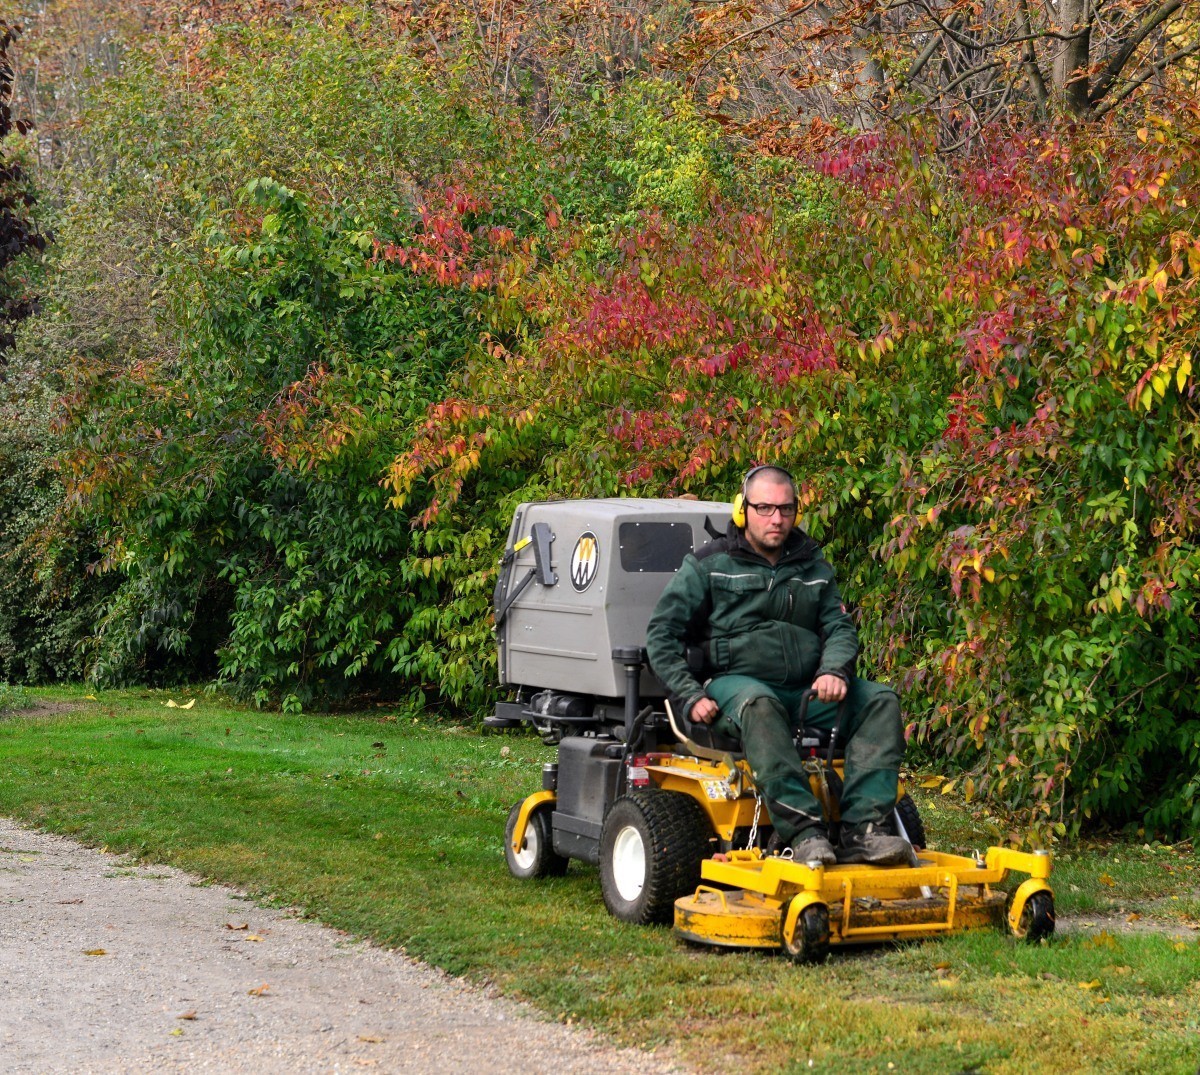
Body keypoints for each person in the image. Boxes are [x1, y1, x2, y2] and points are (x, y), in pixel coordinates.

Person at [645, 465, 914, 866]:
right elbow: (661, 635)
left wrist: (834, 670)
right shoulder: (707, 565)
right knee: (760, 703)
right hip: (734, 688)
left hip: (805, 690)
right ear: (743, 510)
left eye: (786, 509)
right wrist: (689, 694)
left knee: (880, 701)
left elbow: (839, 628)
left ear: (797, 512)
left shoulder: (813, 566)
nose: (776, 519)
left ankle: (864, 831)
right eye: (765, 508)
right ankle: (806, 834)